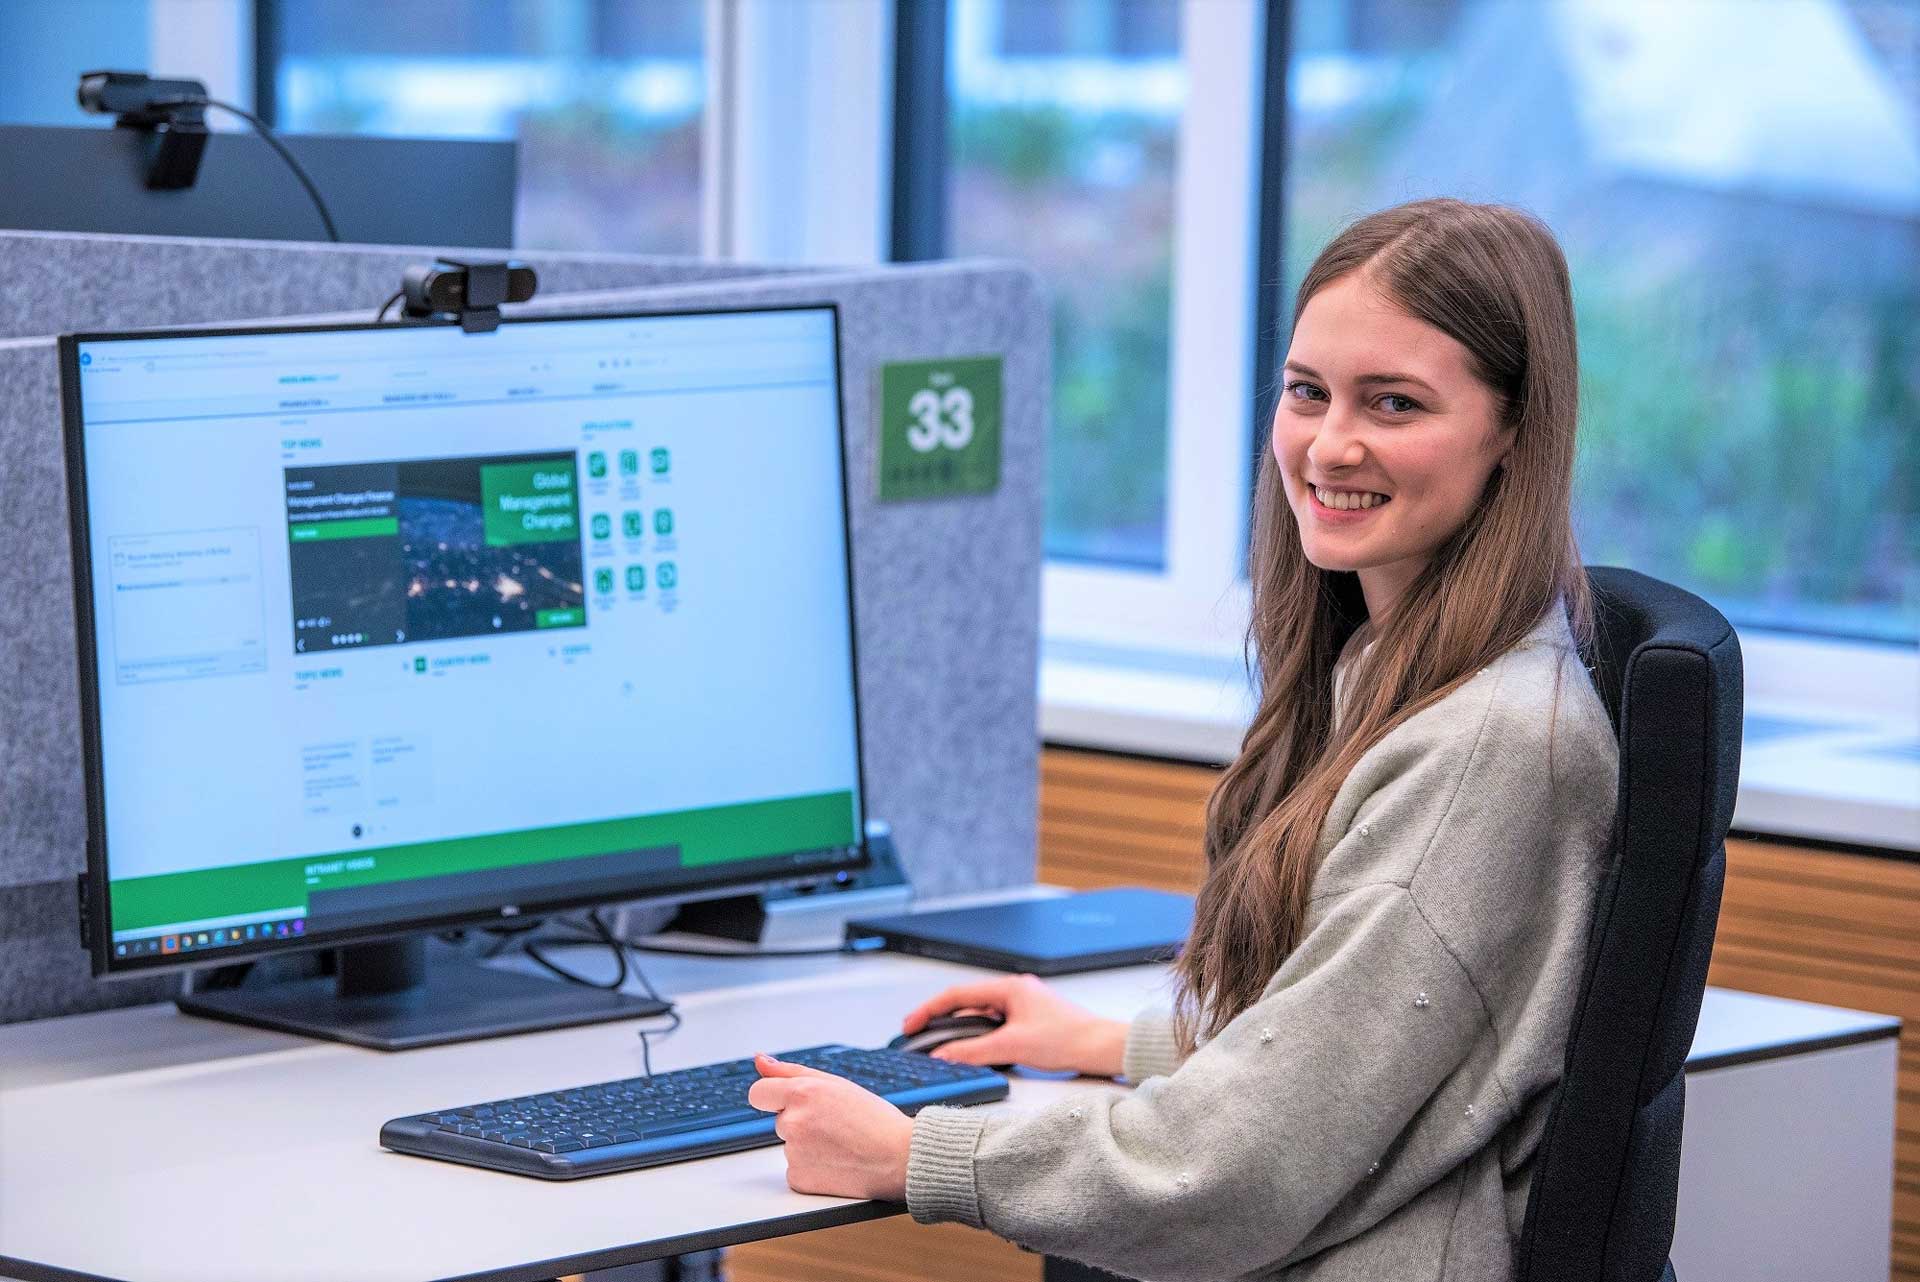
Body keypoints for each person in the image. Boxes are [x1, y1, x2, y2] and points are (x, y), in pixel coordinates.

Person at [747, 197, 1619, 1281]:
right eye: (1308, 393)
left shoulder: (1487, 745)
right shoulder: (1389, 669)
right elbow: (1362, 1062)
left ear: (1514, 432)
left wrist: (919, 1152)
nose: (1330, 444)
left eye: (1394, 404)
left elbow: (1238, 1168)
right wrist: (1116, 1044)